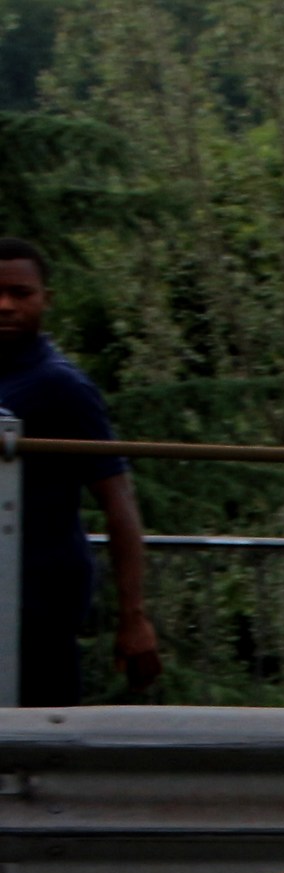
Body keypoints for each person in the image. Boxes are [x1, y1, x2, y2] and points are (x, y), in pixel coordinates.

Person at [0, 238, 159, 707]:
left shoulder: (61, 386)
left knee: (40, 734)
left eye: (20, 293)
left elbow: (118, 500)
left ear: (45, 299)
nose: (5, 305)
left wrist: (133, 616)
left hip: (38, 598)